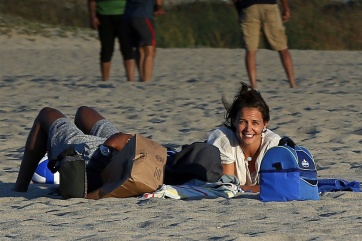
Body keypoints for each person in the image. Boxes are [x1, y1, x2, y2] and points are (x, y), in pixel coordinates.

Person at [14, 106, 133, 193]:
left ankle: (20, 186)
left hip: (99, 156)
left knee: (47, 114)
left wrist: (106, 148)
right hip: (127, 154)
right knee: (84, 112)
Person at [207, 82, 281, 192]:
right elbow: (227, 188)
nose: (248, 129)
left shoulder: (273, 145)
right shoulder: (224, 140)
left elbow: (276, 186)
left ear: (265, 124)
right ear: (234, 121)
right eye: (242, 122)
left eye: (255, 123)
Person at [232, 0, 298, 89]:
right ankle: (292, 83)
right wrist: (286, 8)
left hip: (249, 7)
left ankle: (253, 85)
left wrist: (239, 12)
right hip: (269, 6)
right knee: (282, 47)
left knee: (250, 50)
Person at [88, 0, 135, 81]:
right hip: (103, 15)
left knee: (127, 48)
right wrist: (92, 17)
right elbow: (91, 1)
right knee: (106, 49)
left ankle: (131, 80)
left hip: (124, 14)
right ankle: (105, 80)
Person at [123, 0, 165, 82]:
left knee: (140, 48)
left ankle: (142, 77)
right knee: (149, 51)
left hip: (127, 17)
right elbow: (158, 2)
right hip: (143, 16)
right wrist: (157, 8)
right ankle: (146, 80)